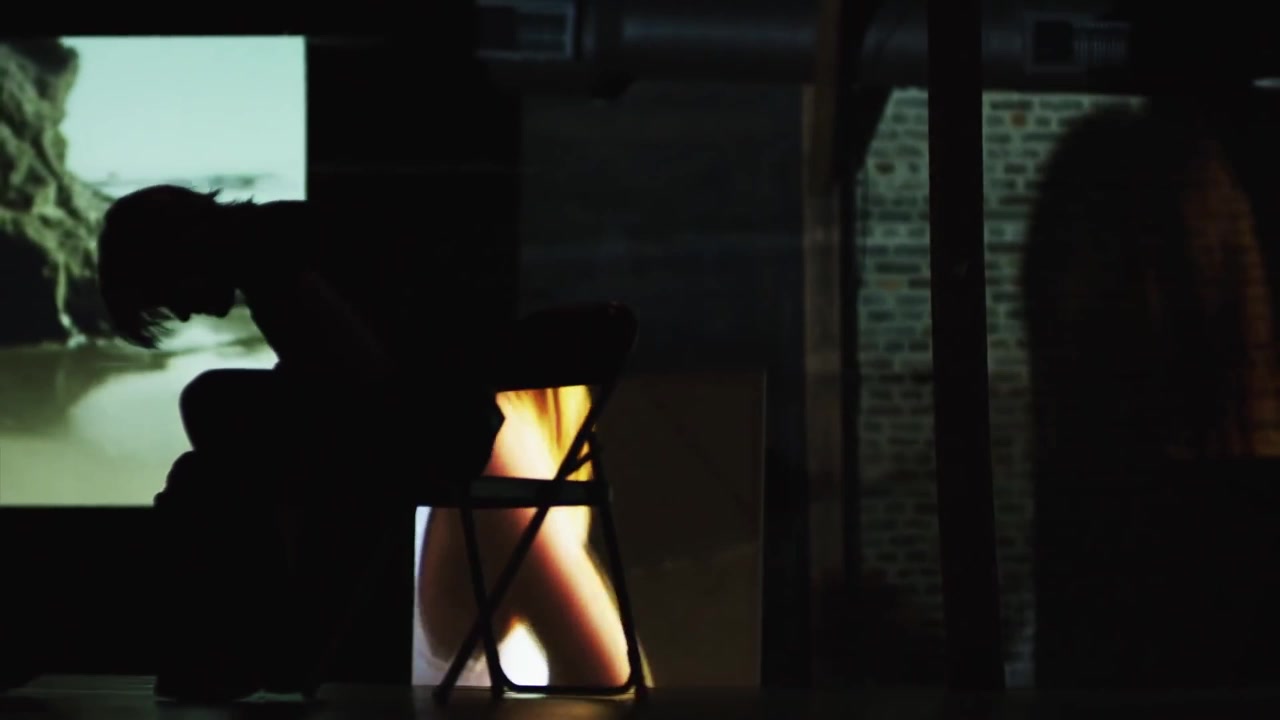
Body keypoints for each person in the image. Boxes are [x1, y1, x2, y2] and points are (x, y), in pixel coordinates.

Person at [96, 185, 504, 701]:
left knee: (208, 421)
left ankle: (259, 647)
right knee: (207, 459)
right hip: (427, 424)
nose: (180, 312)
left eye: (167, 291)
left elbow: (364, 383)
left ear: (182, 252)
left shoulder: (275, 260)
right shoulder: (276, 245)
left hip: (426, 432)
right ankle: (263, 649)